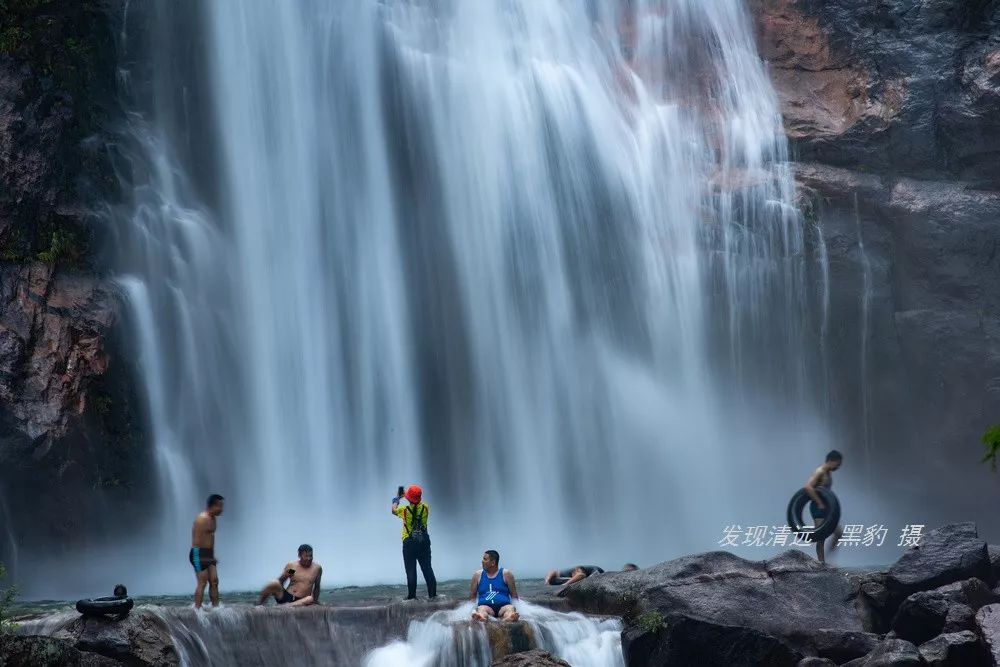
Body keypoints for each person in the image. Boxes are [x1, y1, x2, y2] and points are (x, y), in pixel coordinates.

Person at [392, 485, 437, 600]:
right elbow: (418, 509)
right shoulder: (426, 508)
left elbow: (393, 510)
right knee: (427, 568)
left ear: (408, 498)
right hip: (424, 542)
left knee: (411, 570)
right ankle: (432, 595)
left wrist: (397, 498)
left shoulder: (404, 511)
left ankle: (412, 597)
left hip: (409, 543)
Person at [804, 450, 844, 564]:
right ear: (831, 461)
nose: (838, 467)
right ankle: (821, 563)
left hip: (827, 508)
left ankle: (828, 558)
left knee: (839, 533)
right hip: (818, 508)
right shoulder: (820, 471)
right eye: (838, 464)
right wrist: (819, 502)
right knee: (821, 536)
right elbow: (808, 487)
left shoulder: (828, 473)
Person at [256, 544, 322, 607]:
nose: (309, 558)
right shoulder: (293, 568)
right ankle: (259, 604)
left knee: (310, 599)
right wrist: (275, 592)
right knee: (274, 583)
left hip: (301, 600)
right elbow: (282, 580)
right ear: (299, 555)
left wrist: (315, 602)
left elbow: (317, 586)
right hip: (286, 597)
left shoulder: (316, 569)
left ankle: (285, 607)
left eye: (311, 556)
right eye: (306, 556)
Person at [190, 493, 224, 609]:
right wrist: (200, 557)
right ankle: (197, 610)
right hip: (198, 553)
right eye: (219, 506)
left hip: (209, 554)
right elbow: (196, 541)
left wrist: (212, 556)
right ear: (212, 506)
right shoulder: (202, 519)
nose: (221, 509)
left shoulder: (213, 519)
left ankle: (216, 609)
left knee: (214, 581)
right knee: (202, 582)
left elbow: (211, 537)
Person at [471, 550, 519, 622]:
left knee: (510, 608)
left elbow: (514, 596)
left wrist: (518, 608)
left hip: (503, 607)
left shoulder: (506, 574)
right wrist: (470, 611)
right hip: (486, 607)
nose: (482, 561)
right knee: (481, 609)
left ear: (493, 563)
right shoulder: (477, 575)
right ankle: (480, 617)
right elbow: (472, 598)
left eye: (485, 559)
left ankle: (509, 617)